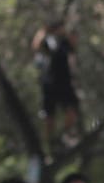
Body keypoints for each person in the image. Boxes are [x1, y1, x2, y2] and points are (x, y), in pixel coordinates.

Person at [33, 21, 82, 149]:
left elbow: (73, 46)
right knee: (49, 118)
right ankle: (50, 145)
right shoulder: (48, 42)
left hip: (64, 83)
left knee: (72, 111)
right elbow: (36, 46)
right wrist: (45, 30)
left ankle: (64, 136)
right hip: (49, 84)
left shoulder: (64, 43)